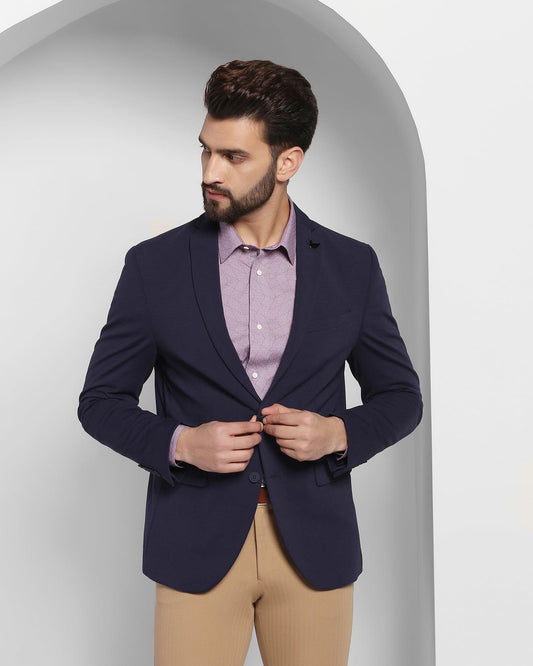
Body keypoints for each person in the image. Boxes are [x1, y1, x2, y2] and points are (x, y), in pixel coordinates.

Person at [78, 59, 423, 666]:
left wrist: (338, 434)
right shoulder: (154, 267)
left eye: (233, 157)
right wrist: (182, 443)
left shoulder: (351, 267)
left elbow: (401, 397)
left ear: (287, 162)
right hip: (195, 543)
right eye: (206, 150)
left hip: (314, 545)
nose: (210, 172)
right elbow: (100, 402)